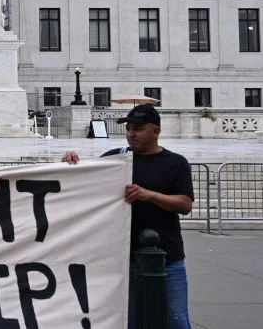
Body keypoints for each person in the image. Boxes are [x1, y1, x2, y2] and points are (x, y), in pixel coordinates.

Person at [62, 103, 193, 328]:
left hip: (167, 258)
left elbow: (184, 204)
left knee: (176, 319)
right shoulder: (117, 158)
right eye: (128, 128)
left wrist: (149, 195)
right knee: (127, 321)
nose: (131, 134)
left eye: (138, 129)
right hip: (123, 259)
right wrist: (70, 162)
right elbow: (84, 177)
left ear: (156, 131)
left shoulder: (176, 163)